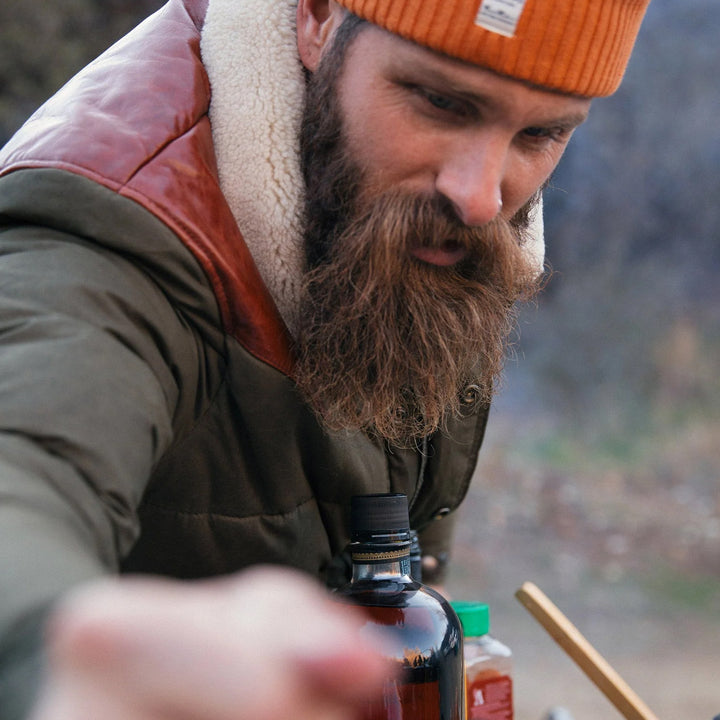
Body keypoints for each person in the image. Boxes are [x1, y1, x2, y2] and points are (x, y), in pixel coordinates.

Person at [0, 0, 651, 717]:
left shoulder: (432, 227)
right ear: (313, 18)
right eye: (439, 101)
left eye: (540, 132)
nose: (477, 195)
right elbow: (20, 475)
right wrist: (45, 654)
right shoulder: (110, 229)